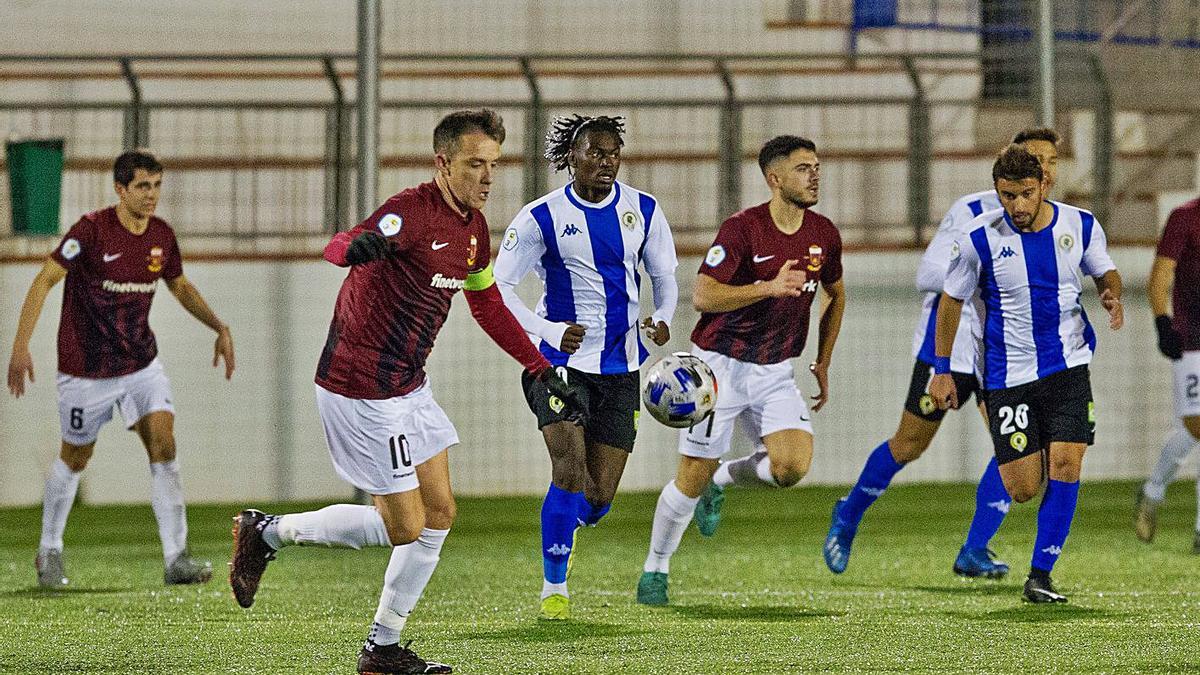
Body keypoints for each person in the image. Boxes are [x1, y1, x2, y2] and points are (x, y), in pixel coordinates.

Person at [227, 109, 579, 674]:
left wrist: (540, 367)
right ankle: (268, 532)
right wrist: (352, 251)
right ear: (443, 163)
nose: (487, 177)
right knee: (405, 527)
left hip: (408, 384)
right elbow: (345, 243)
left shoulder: (474, 228)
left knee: (439, 512)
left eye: (493, 164)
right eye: (474, 165)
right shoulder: (411, 212)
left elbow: (485, 302)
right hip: (361, 388)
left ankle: (382, 647)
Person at [823, 128, 1062, 578]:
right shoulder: (974, 212)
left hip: (1005, 356)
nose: (1044, 167)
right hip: (950, 349)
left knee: (1022, 450)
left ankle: (974, 548)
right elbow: (929, 273)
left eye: (1050, 160)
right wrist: (973, 277)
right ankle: (849, 513)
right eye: (1034, 157)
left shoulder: (1059, 223)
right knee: (910, 444)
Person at [635, 135, 846, 606]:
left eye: (816, 166)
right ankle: (656, 567)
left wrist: (823, 360)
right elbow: (704, 296)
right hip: (717, 369)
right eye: (802, 168)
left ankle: (722, 479)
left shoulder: (824, 234)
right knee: (689, 476)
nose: (814, 175)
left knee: (791, 467)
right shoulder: (743, 229)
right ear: (774, 179)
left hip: (774, 370)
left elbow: (837, 294)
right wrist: (767, 287)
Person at [7, 150, 233, 588]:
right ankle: (49, 549)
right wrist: (21, 346)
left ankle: (176, 557)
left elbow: (179, 285)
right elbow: (44, 280)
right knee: (75, 457)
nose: (152, 195)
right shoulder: (91, 232)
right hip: (85, 371)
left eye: (157, 185)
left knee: (164, 443)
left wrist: (218, 325)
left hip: (140, 365)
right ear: (120, 189)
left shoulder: (162, 237)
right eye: (143, 187)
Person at [492, 114, 678, 620]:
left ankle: (567, 524)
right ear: (570, 157)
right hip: (557, 363)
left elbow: (664, 277)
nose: (606, 161)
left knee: (596, 500)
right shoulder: (539, 218)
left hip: (621, 366)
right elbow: (498, 289)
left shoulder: (643, 209)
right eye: (594, 152)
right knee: (568, 470)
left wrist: (661, 319)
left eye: (613, 152)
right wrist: (549, 331)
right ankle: (555, 588)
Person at [929, 144, 1124, 603]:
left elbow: (1106, 272)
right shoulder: (979, 239)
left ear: (1043, 187)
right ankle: (1017, 553)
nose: (1016, 205)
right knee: (1022, 488)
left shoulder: (1080, 224)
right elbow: (950, 302)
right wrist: (942, 370)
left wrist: (1111, 295)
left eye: (1025, 194)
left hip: (1069, 367)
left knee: (1066, 464)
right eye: (1006, 195)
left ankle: (1040, 575)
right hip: (1006, 377)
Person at [1134, 197, 1200, 552]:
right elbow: (1162, 271)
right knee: (1196, 425)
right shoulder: (1185, 217)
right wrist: (1162, 320)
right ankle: (1154, 487)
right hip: (1193, 337)